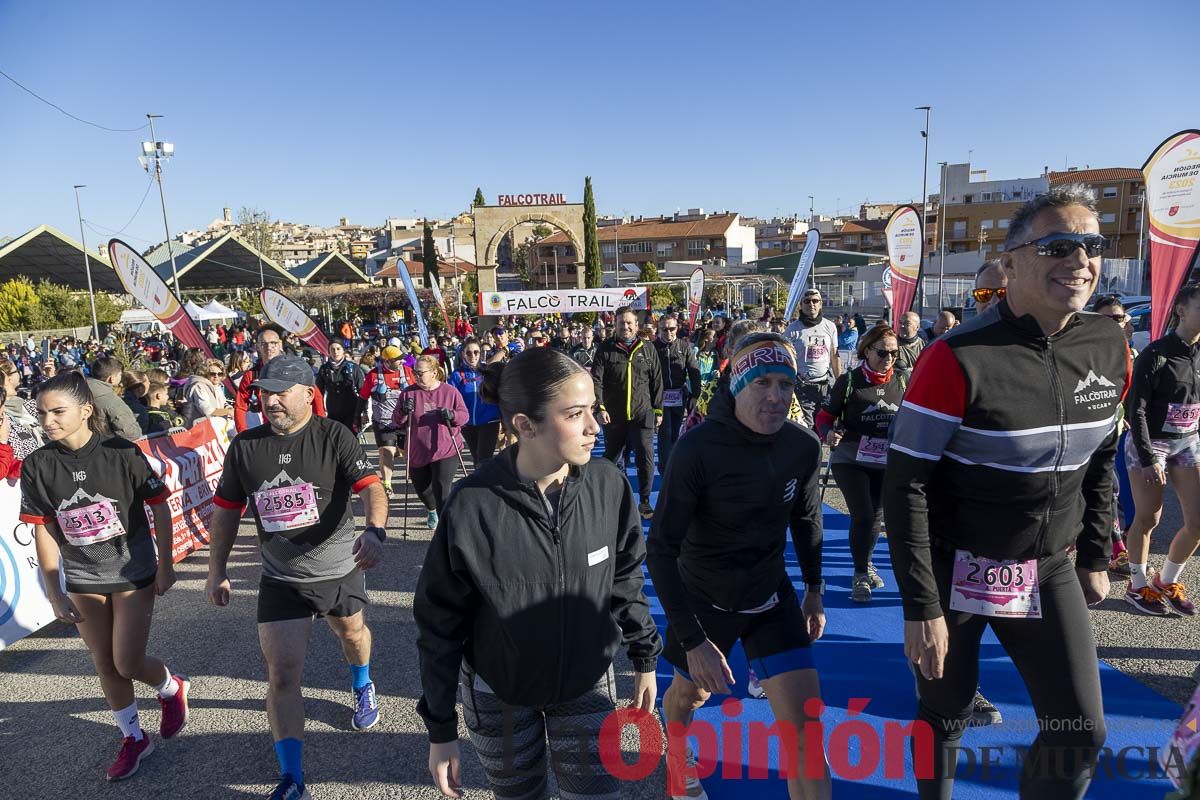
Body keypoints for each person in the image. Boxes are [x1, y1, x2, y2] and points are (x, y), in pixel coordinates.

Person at [884, 185, 1128, 799]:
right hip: (953, 566)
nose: (1079, 260)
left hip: (1044, 568)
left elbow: (1101, 458)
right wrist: (922, 607)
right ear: (1012, 260)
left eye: (1091, 245)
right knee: (946, 714)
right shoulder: (954, 357)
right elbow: (905, 485)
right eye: (1057, 246)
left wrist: (1096, 553)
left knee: (1081, 730)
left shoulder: (1108, 344)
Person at [413, 346, 660, 800]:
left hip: (587, 683)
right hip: (498, 693)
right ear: (525, 425)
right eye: (575, 414)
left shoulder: (608, 485)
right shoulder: (471, 504)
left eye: (593, 410)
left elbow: (625, 576)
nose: (594, 427)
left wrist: (644, 657)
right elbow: (439, 623)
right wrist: (440, 728)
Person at [649, 332, 829, 800]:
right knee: (691, 698)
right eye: (762, 382)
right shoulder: (696, 450)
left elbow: (807, 520)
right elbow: (661, 549)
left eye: (786, 384)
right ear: (735, 384)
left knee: (807, 730)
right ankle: (677, 751)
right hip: (706, 600)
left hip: (771, 596)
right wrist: (693, 641)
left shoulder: (803, 447)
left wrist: (814, 587)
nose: (776, 397)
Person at [205, 355, 388, 800]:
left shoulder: (334, 436)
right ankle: (292, 778)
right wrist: (217, 572)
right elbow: (227, 514)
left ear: (309, 394)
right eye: (266, 392)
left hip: (338, 570)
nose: (271, 400)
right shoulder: (245, 447)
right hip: (281, 578)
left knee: (353, 635)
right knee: (282, 674)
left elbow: (372, 488)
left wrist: (375, 531)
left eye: (282, 391)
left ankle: (362, 683)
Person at [19, 372, 189, 782]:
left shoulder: (121, 453)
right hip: (81, 576)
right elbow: (43, 528)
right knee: (105, 665)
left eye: (58, 412)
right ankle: (134, 738)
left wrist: (165, 565)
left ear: (86, 411)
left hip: (132, 571)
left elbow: (160, 508)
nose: (48, 422)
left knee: (127, 660)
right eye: (42, 413)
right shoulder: (38, 465)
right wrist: (54, 592)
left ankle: (170, 687)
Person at [1121, 285, 1200, 616]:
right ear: (1181, 310)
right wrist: (1148, 456)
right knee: (1148, 518)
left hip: (1188, 441)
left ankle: (1165, 581)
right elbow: (1133, 409)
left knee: (1197, 522)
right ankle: (1137, 584)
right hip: (1151, 442)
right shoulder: (1156, 354)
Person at [815, 325, 904, 603]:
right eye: (882, 352)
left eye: (893, 353)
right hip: (850, 457)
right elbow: (824, 416)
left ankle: (866, 562)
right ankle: (860, 574)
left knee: (876, 516)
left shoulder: (903, 381)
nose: (888, 358)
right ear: (867, 351)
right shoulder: (850, 381)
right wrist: (828, 433)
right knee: (863, 514)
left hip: (885, 460)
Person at [592, 306, 664, 518]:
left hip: (643, 415)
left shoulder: (648, 348)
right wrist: (600, 407)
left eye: (629, 323)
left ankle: (644, 500)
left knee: (646, 458)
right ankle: (613, 501)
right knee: (611, 461)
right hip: (614, 416)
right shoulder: (606, 348)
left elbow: (657, 381)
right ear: (615, 325)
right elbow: (596, 380)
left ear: (636, 325)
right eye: (621, 323)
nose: (625, 326)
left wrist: (658, 409)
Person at [395, 355, 468, 530]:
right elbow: (397, 420)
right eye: (415, 373)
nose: (417, 377)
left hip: (445, 448)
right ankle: (431, 509)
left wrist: (452, 416)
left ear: (434, 372)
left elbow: (464, 416)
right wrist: (404, 411)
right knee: (422, 489)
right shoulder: (408, 393)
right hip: (417, 450)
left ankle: (445, 528)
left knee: (442, 488)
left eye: (421, 373)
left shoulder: (450, 392)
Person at [1093, 295, 1138, 577]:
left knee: (1112, 492)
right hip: (1080, 437)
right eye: (1105, 319)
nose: (1113, 324)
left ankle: (1116, 549)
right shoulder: (1080, 351)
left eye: (1118, 318)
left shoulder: (1129, 355)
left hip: (1114, 434)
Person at [235, 324, 325, 433]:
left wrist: (320, 427)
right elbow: (240, 406)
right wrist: (242, 434)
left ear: (280, 344)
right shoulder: (252, 375)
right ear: (257, 346)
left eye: (273, 343)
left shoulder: (295, 368)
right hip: (271, 432)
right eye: (264, 344)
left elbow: (316, 396)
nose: (269, 347)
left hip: (298, 429)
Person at [359, 344, 413, 493]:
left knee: (407, 452)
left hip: (405, 421)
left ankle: (414, 477)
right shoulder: (373, 375)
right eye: (398, 360)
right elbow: (363, 397)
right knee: (386, 451)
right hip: (383, 422)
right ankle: (387, 484)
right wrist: (359, 415)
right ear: (387, 361)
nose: (402, 362)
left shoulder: (408, 372)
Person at [785, 288, 841, 428]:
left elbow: (834, 356)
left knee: (823, 425)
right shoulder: (792, 329)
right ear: (801, 305)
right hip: (802, 386)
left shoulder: (830, 326)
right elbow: (785, 358)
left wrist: (840, 382)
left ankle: (818, 450)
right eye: (807, 301)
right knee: (806, 427)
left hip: (824, 385)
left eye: (815, 301)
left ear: (821, 304)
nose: (812, 304)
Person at [653, 313, 701, 474]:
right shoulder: (653, 347)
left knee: (675, 432)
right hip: (660, 397)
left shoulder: (684, 346)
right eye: (664, 329)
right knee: (664, 433)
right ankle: (665, 469)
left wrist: (695, 395)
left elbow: (694, 372)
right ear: (658, 330)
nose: (668, 333)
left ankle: (674, 463)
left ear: (677, 328)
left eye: (671, 329)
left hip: (679, 396)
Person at [447, 337, 501, 467]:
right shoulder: (457, 375)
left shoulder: (488, 371)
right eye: (469, 353)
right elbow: (450, 398)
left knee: (484, 456)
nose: (473, 356)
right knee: (476, 457)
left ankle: (483, 483)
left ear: (480, 353)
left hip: (489, 420)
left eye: (476, 352)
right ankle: (480, 482)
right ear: (463, 354)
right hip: (468, 423)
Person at [87, 356, 142, 440]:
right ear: (111, 379)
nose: (121, 378)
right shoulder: (112, 401)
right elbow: (129, 433)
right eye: (120, 375)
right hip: (106, 446)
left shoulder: (80, 391)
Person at [317, 341, 366, 434]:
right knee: (335, 438)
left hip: (351, 409)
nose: (336, 352)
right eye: (332, 349)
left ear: (343, 350)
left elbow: (362, 391)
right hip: (333, 409)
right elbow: (319, 392)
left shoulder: (353, 367)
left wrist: (364, 411)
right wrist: (319, 411)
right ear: (329, 352)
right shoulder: (324, 369)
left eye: (338, 349)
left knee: (350, 439)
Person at [182, 357, 234, 428]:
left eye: (220, 374)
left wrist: (229, 408)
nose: (216, 376)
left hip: (218, 425)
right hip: (202, 428)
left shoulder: (217, 386)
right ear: (206, 373)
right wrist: (227, 412)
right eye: (213, 374)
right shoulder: (199, 386)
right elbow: (207, 410)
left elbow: (223, 402)